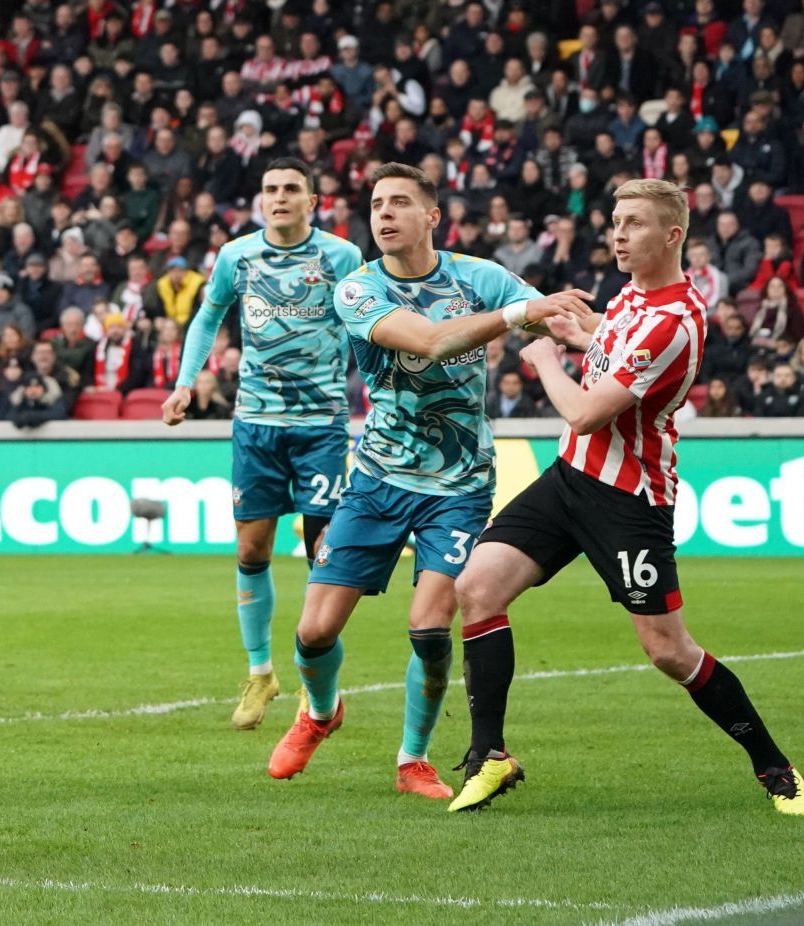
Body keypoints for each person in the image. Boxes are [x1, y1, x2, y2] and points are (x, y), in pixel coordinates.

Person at [449, 178, 804, 817]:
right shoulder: (632, 298)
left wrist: (542, 359)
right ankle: (490, 756)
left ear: (673, 235)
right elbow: (609, 342)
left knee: (667, 649)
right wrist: (576, 328)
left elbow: (587, 413)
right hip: (569, 480)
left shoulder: (675, 320)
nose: (618, 234)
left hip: (628, 499)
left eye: (635, 223)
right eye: (616, 220)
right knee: (477, 587)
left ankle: (775, 767)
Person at [266, 161, 591, 800]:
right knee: (313, 632)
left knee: (429, 628)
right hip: (377, 478)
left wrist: (606, 336)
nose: (383, 215)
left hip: (460, 484)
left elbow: (557, 323)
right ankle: (321, 711)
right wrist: (519, 312)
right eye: (376, 204)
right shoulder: (357, 291)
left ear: (432, 216)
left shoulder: (481, 278)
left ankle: (412, 759)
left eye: (398, 204)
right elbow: (434, 341)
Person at [160, 159, 364, 731]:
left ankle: (315, 681)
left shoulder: (342, 258)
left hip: (321, 425)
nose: (279, 197)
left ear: (312, 200)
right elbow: (207, 318)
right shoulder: (236, 255)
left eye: (291, 189)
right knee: (252, 551)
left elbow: (368, 330)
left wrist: (377, 400)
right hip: (255, 424)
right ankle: (260, 673)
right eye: (271, 189)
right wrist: (184, 384)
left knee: (324, 556)